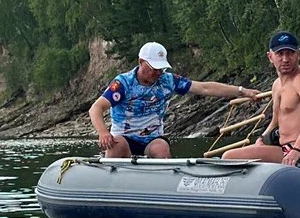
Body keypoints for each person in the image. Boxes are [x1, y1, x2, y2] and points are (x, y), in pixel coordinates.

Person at [88, 41, 261, 158]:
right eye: (154, 68)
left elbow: (204, 87)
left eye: (161, 69)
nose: (157, 73)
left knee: (161, 149)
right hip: (124, 137)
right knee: (116, 146)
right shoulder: (123, 83)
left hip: (152, 138)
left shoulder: (168, 80)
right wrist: (103, 132)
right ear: (141, 62)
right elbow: (96, 108)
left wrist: (242, 91)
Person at [222, 31, 300, 167]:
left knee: (228, 157)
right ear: (270, 57)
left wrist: (296, 150)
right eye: (280, 54)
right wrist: (261, 139)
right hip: (284, 149)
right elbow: (275, 122)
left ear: (298, 54)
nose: (285, 59)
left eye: (290, 53)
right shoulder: (276, 85)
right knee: (237, 155)